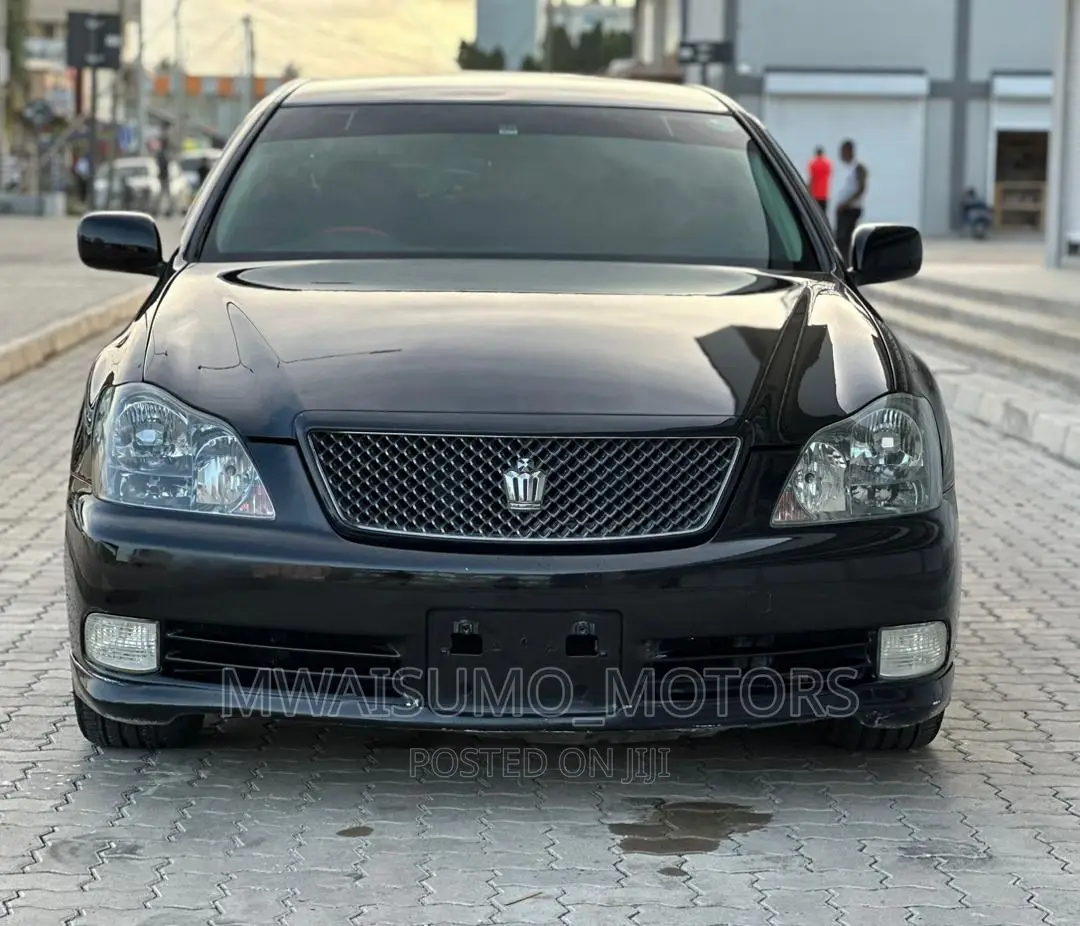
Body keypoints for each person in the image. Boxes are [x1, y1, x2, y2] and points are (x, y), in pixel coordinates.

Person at [834, 139, 867, 260]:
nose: (841, 155)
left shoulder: (858, 167)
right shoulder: (846, 168)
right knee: (839, 239)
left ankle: (847, 263)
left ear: (849, 151)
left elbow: (861, 189)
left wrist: (846, 204)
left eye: (843, 151)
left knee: (845, 240)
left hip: (851, 209)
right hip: (843, 209)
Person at [807, 146, 832, 214]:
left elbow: (812, 178)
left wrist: (808, 191)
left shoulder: (813, 163)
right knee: (823, 215)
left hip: (815, 194)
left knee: (814, 214)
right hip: (824, 194)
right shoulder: (828, 163)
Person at [156, 135, 174, 217]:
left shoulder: (164, 153)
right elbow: (162, 165)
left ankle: (167, 210)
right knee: (164, 194)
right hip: (163, 176)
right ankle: (162, 210)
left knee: (165, 194)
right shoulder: (162, 154)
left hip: (164, 176)